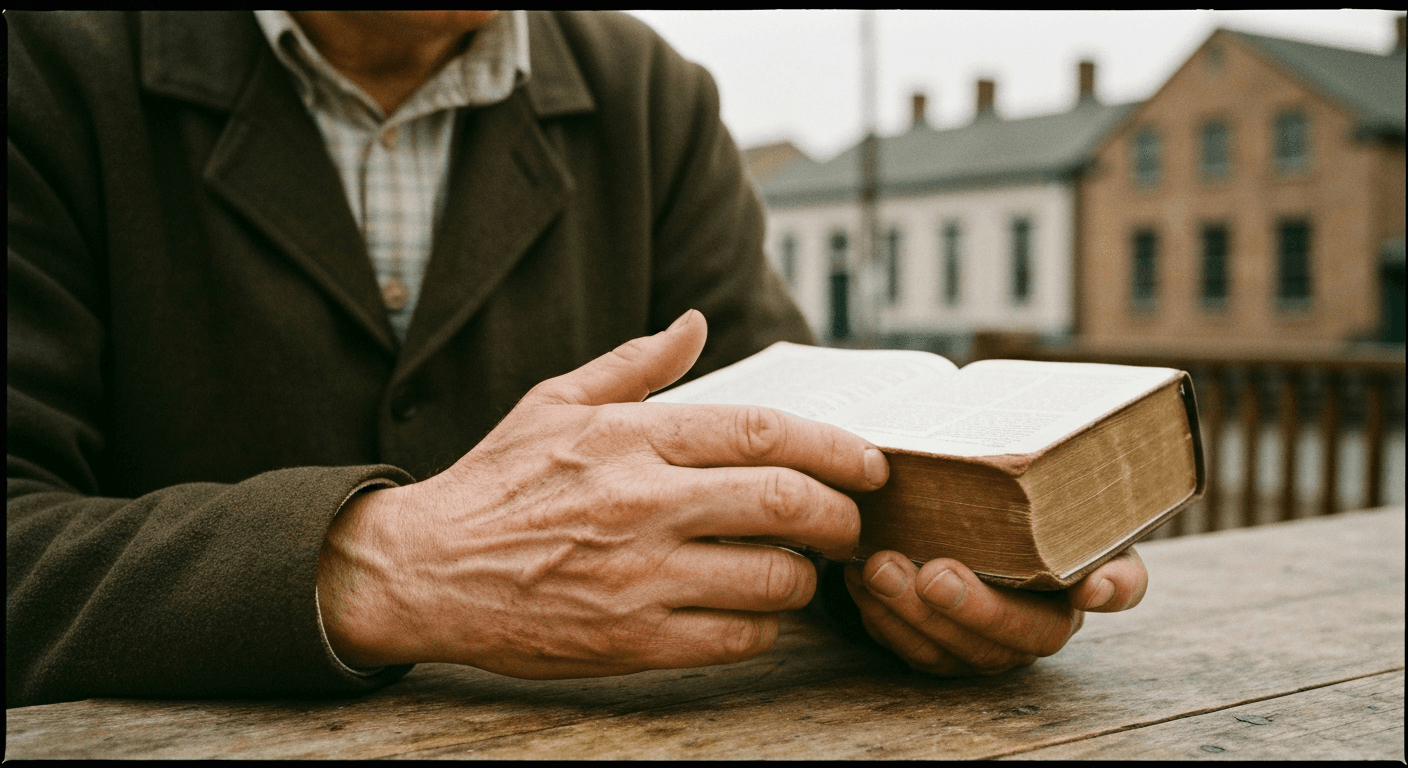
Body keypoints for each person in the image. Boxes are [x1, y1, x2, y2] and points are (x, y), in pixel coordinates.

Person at [6, 10, 1147, 708]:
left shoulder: (648, 92)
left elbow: (794, 457)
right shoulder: (44, 64)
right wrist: (383, 567)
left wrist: (933, 586)